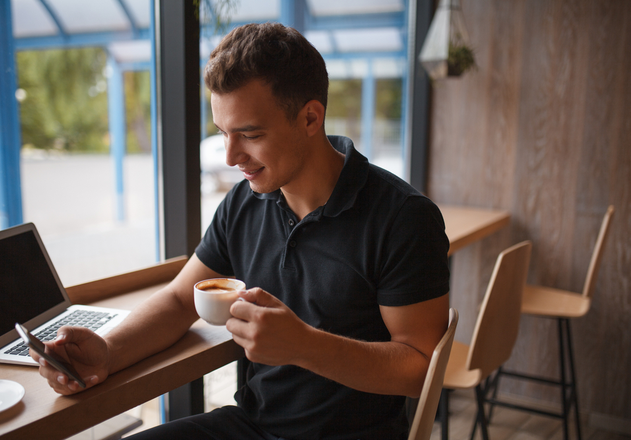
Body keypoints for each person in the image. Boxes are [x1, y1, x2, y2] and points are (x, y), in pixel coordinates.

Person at [33, 22, 450, 440]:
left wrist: (305, 345)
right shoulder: (244, 203)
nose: (232, 157)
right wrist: (107, 351)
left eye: (249, 134)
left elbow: (418, 367)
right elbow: (181, 300)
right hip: (252, 426)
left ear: (310, 117)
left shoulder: (404, 218)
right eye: (223, 134)